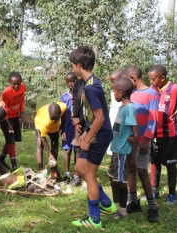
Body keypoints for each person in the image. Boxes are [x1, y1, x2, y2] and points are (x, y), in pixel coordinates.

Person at [69, 46, 116, 228]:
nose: (72, 68)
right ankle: (106, 204)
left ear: (79, 65)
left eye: (73, 65)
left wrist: (88, 139)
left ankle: (95, 220)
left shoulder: (90, 88)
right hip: (94, 133)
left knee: (89, 174)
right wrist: (86, 133)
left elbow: (100, 117)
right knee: (80, 168)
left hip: (100, 136)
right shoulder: (90, 83)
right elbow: (94, 115)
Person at [121, 65, 159, 222]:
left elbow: (153, 118)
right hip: (130, 140)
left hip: (143, 141)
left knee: (142, 171)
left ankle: (152, 206)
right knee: (131, 169)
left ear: (133, 79)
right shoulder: (132, 94)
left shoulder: (152, 94)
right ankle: (134, 200)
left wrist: (147, 140)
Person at [108, 77, 138, 219]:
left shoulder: (129, 109)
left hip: (123, 151)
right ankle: (116, 204)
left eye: (114, 92)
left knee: (121, 181)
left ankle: (122, 210)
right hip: (116, 149)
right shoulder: (123, 107)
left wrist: (132, 157)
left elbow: (136, 133)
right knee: (111, 176)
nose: (114, 95)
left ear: (121, 92)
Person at [148, 64, 177, 205]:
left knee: (171, 163)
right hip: (154, 133)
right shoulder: (152, 90)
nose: (151, 82)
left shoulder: (175, 88)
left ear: (163, 78)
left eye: (153, 79)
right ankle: (154, 191)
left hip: (170, 133)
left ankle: (172, 193)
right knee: (155, 162)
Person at [0, 72, 26, 171]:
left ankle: (0, 160)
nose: (16, 86)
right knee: (11, 141)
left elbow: (22, 99)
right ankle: (14, 167)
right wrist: (8, 124)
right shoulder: (6, 93)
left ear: (21, 82)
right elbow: (3, 110)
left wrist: (22, 113)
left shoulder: (23, 87)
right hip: (6, 118)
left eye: (18, 83)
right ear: (9, 82)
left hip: (15, 116)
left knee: (10, 140)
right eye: (14, 84)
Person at [34, 102, 67, 179]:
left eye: (56, 118)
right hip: (39, 123)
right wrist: (49, 154)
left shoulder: (63, 107)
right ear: (49, 115)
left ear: (59, 114)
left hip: (54, 128)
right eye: (52, 118)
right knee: (40, 144)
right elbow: (43, 137)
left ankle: (53, 170)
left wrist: (63, 127)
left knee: (55, 144)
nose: (54, 120)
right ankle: (40, 170)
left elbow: (64, 114)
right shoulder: (45, 121)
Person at [60, 72, 77, 183]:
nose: (71, 83)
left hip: (78, 128)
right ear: (66, 83)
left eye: (73, 81)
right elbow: (61, 114)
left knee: (77, 150)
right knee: (67, 150)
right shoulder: (64, 97)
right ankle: (66, 174)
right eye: (69, 81)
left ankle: (77, 174)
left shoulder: (81, 95)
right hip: (67, 128)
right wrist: (62, 129)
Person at [69, 76, 85, 187]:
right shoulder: (77, 86)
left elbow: (91, 111)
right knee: (78, 149)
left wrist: (80, 120)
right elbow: (73, 106)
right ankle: (77, 176)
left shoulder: (90, 87)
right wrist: (75, 122)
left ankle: (87, 177)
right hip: (78, 124)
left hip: (88, 124)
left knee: (87, 149)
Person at [106, 68, 123, 155]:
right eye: (111, 82)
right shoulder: (112, 94)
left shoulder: (126, 95)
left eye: (114, 82)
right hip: (112, 128)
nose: (112, 84)